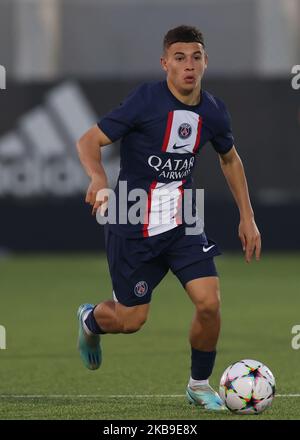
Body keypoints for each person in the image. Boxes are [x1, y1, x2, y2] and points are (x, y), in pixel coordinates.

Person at [76, 25, 261, 411]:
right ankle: (92, 321)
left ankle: (198, 384)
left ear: (206, 62)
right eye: (179, 58)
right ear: (165, 64)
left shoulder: (213, 110)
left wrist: (248, 216)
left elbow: (229, 158)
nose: (188, 65)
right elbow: (88, 140)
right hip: (132, 221)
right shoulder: (146, 100)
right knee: (130, 320)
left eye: (196, 57)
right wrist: (97, 176)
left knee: (209, 303)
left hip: (183, 220)